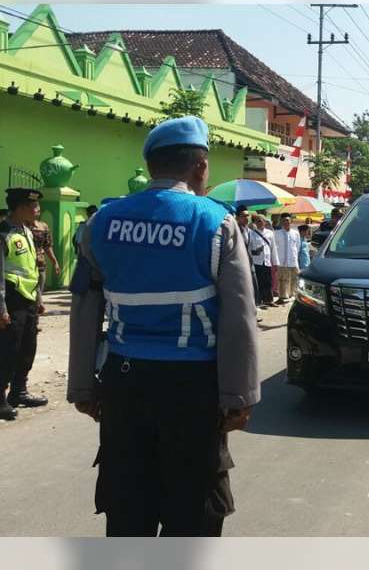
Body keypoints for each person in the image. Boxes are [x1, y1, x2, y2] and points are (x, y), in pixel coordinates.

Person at [67, 116, 259, 537]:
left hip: (123, 382)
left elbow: (83, 306)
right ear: (200, 167)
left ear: (151, 165)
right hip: (193, 388)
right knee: (193, 509)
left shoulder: (102, 222)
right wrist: (238, 395)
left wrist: (81, 386)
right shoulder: (217, 223)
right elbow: (239, 316)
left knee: (127, 502)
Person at [0, 188, 49, 420]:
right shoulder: (4, 234)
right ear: (21, 207)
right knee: (8, 350)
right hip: (11, 298)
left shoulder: (26, 231)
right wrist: (2, 308)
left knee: (28, 346)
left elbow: (32, 268)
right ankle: (0, 398)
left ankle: (19, 391)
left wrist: (39, 298)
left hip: (28, 298)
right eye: (34, 206)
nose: (37, 210)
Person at [28, 215, 60, 302]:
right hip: (26, 264)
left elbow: (48, 246)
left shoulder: (43, 226)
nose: (37, 209)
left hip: (40, 263)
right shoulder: (22, 226)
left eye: (37, 206)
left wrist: (55, 262)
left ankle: (36, 308)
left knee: (39, 289)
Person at [250, 215, 278, 308]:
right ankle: (260, 301)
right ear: (255, 223)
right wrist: (255, 251)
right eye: (258, 221)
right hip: (257, 262)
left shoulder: (270, 233)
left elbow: (273, 248)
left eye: (261, 221)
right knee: (259, 282)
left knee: (268, 281)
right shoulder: (251, 234)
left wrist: (275, 262)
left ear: (265, 222)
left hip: (267, 261)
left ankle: (269, 300)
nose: (260, 223)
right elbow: (249, 249)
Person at [274, 213, 301, 304]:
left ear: (291, 221)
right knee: (282, 279)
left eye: (288, 220)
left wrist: (294, 257)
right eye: (284, 220)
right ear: (281, 222)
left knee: (293, 279)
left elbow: (297, 246)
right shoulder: (276, 233)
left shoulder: (295, 233)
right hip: (282, 260)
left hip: (292, 260)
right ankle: (282, 297)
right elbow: (274, 247)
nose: (286, 222)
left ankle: (292, 296)